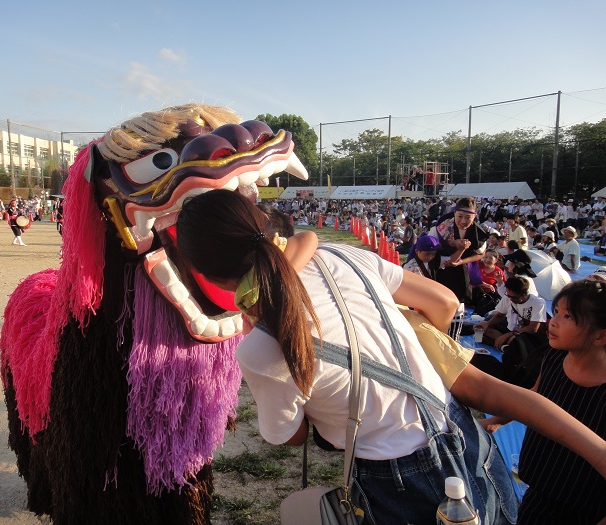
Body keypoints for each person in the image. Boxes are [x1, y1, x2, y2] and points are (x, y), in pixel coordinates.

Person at [177, 190, 606, 525]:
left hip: (396, 481)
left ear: (206, 274)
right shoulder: (345, 255)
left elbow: (291, 436)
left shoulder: (259, 348)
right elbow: (443, 301)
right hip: (466, 439)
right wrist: (417, 342)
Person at [481, 280, 605, 524]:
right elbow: (533, 399)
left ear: (601, 336)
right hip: (540, 484)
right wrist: (495, 422)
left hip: (585, 504)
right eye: (556, 311)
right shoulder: (556, 357)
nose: (554, 321)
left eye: (568, 316)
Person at [429, 197, 488, 305]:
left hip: (463, 266)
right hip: (440, 264)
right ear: (454, 213)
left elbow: (480, 254)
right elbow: (430, 246)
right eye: (460, 216)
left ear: (474, 216)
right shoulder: (443, 226)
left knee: (460, 299)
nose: (463, 221)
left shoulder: (478, 233)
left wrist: (461, 261)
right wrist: (452, 243)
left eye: (468, 217)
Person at [474, 276, 546, 349]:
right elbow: (500, 315)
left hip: (524, 334)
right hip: (510, 329)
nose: (511, 299)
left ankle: (505, 345)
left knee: (515, 339)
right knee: (480, 329)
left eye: (514, 297)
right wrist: (487, 323)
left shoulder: (538, 303)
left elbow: (533, 328)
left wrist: (508, 335)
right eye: (509, 296)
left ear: (525, 294)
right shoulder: (507, 297)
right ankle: (503, 345)